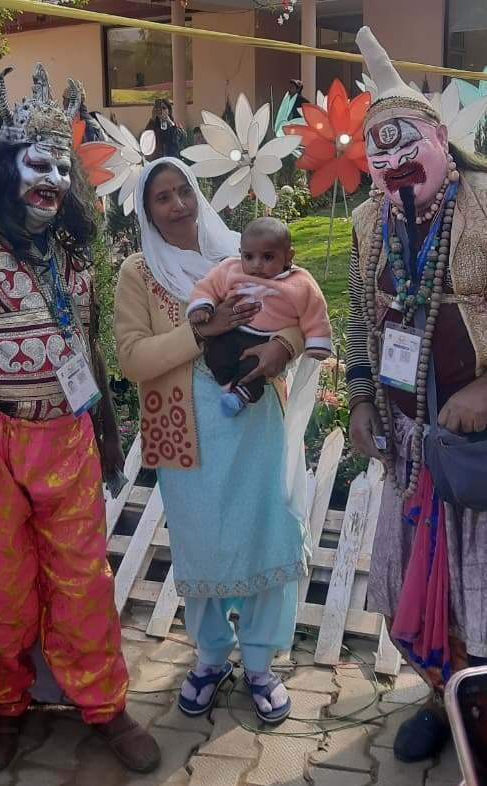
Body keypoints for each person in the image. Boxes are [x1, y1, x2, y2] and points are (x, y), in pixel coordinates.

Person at [0, 64, 160, 774]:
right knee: (2, 588)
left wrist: (108, 433)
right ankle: (8, 708)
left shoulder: (70, 249)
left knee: (83, 581)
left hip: (68, 440)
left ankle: (104, 706)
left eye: (62, 168)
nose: (52, 180)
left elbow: (88, 348)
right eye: (37, 164)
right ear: (0, 169)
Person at [114, 157, 312, 725]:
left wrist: (284, 346)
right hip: (185, 431)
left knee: (265, 532)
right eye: (162, 198)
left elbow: (298, 310)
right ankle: (210, 658)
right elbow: (132, 358)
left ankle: (260, 665)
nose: (178, 205)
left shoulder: (239, 254)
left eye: (184, 191)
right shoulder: (138, 272)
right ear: (146, 211)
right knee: (202, 542)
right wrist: (204, 331)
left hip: (255, 424)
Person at [347, 27, 487, 764]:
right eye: (379, 147)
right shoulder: (369, 221)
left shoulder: (485, 204)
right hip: (410, 443)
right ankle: (442, 698)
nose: (394, 158)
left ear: (439, 138)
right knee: (423, 576)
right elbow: (358, 320)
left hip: (476, 446)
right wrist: (360, 400)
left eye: (406, 140)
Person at [187, 216, 331, 416]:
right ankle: (226, 381)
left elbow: (314, 311)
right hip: (234, 331)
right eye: (249, 257)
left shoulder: (299, 282)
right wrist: (202, 306)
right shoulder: (230, 269)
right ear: (240, 253)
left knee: (255, 368)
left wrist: (317, 340)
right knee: (216, 353)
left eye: (268, 257)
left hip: (266, 340)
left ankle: (240, 396)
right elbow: (208, 286)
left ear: (288, 256)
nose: (256, 265)